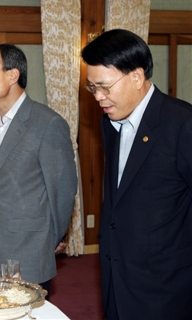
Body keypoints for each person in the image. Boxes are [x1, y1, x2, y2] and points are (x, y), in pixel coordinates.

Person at [82, 29, 192, 320]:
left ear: (137, 76)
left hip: (165, 288)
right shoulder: (110, 123)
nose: (98, 98)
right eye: (92, 88)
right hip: (116, 277)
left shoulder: (182, 124)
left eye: (105, 87)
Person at [0, 44, 78, 297]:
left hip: (26, 248)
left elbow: (62, 192)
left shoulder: (48, 123)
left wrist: (48, 240)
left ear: (13, 75)